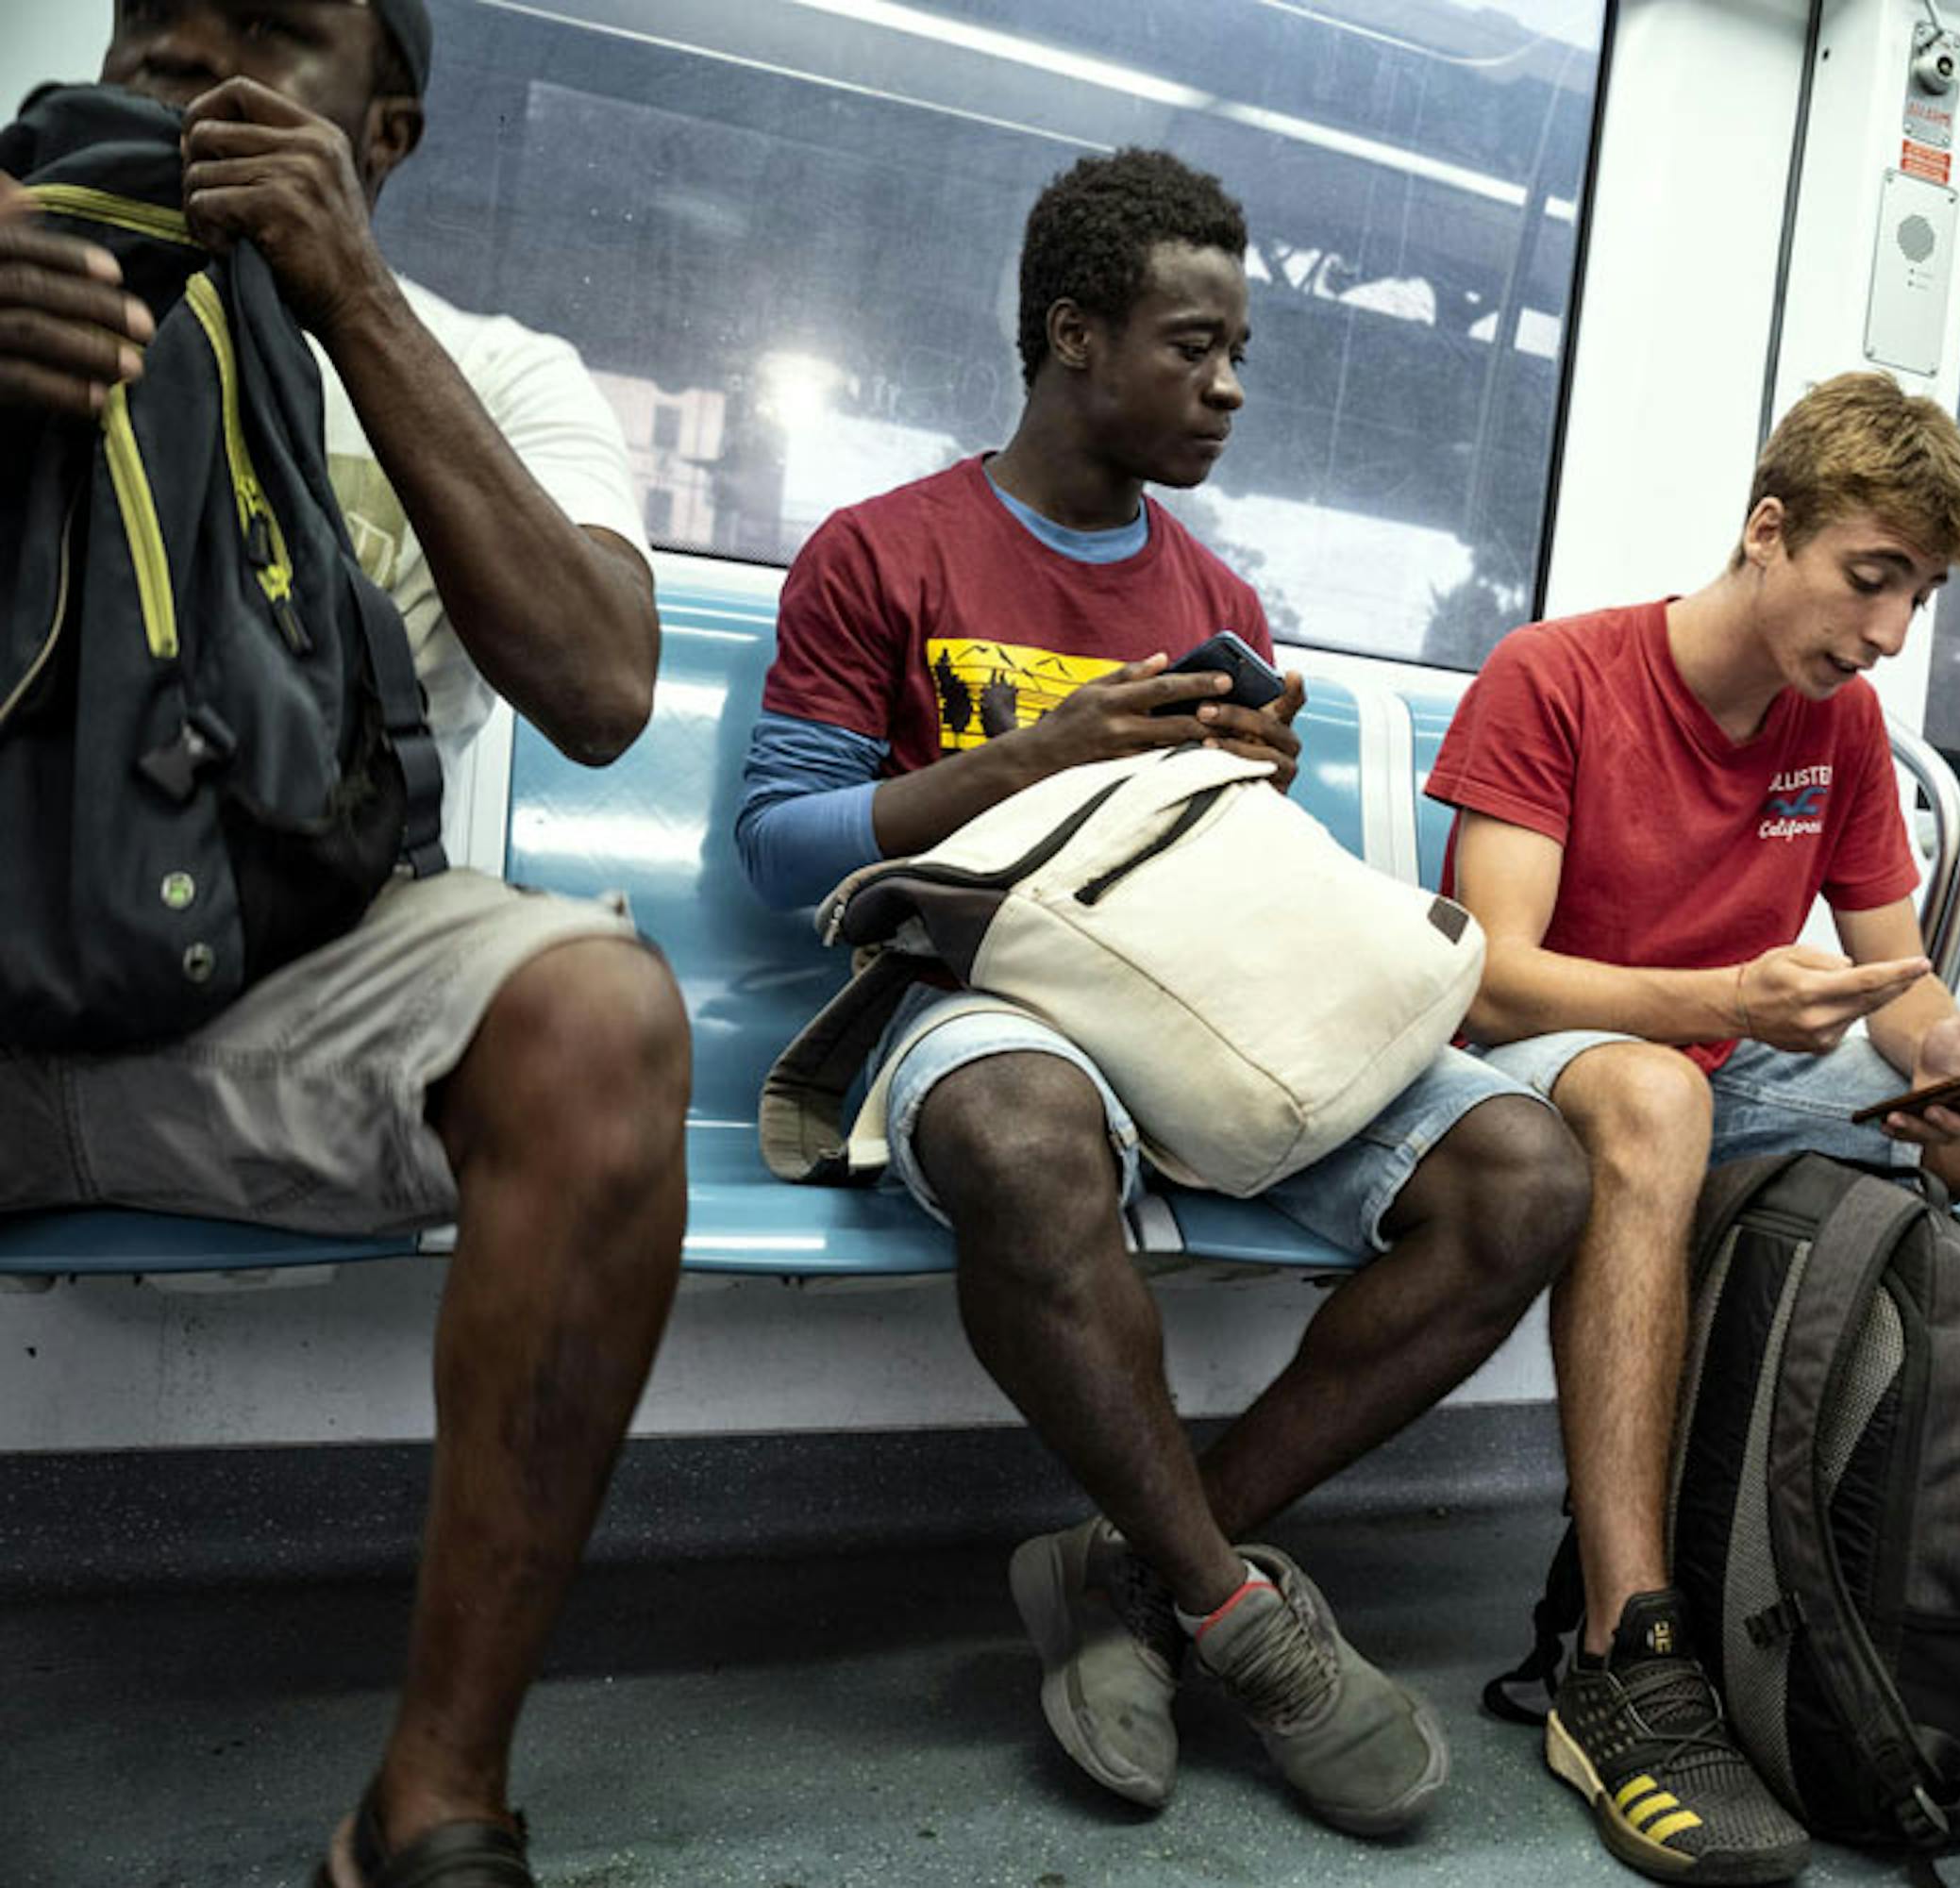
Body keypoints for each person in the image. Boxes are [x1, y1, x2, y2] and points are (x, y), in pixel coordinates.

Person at [735, 146, 1591, 1838]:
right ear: (1073, 337)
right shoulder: (883, 552)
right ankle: (1236, 1612)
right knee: (1026, 1137)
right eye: (1192, 348)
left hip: (1194, 980)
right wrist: (1026, 757)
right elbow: (782, 844)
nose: (1229, 387)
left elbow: (1221, 875)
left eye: (1237, 350)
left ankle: (1130, 1571)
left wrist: (1248, 778)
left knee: (1530, 1173)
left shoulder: (1214, 600)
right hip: (984, 987)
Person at [1430, 371, 1960, 1883]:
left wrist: (1941, 1040)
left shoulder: (1840, 727)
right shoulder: (1555, 674)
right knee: (1659, 1087)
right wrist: (1717, 997)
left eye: (1918, 595)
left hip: (1742, 1061)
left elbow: (1894, 977)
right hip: (1565, 1063)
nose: (1890, 630)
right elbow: (1488, 978)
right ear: (1770, 530)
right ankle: (1623, 1651)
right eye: (1870, 577)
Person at [0, 7, 683, 1884]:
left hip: (279, 993)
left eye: (273, 31)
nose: (194, 54)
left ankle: (431, 1805)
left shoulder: (496, 365)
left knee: (598, 1019)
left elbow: (604, 683)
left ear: (380, 131)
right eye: (162, 18)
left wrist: (348, 301)